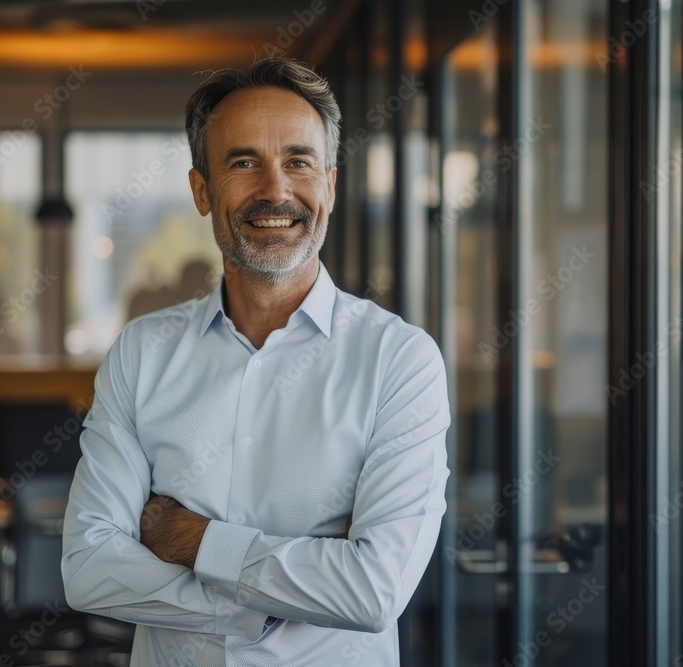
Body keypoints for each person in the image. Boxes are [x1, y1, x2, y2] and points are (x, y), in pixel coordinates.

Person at [61, 57, 450, 666]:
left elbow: (375, 590)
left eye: (299, 161)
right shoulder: (143, 352)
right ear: (201, 190)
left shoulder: (399, 361)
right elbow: (88, 566)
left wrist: (192, 541)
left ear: (330, 185)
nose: (276, 190)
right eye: (243, 162)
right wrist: (282, 597)